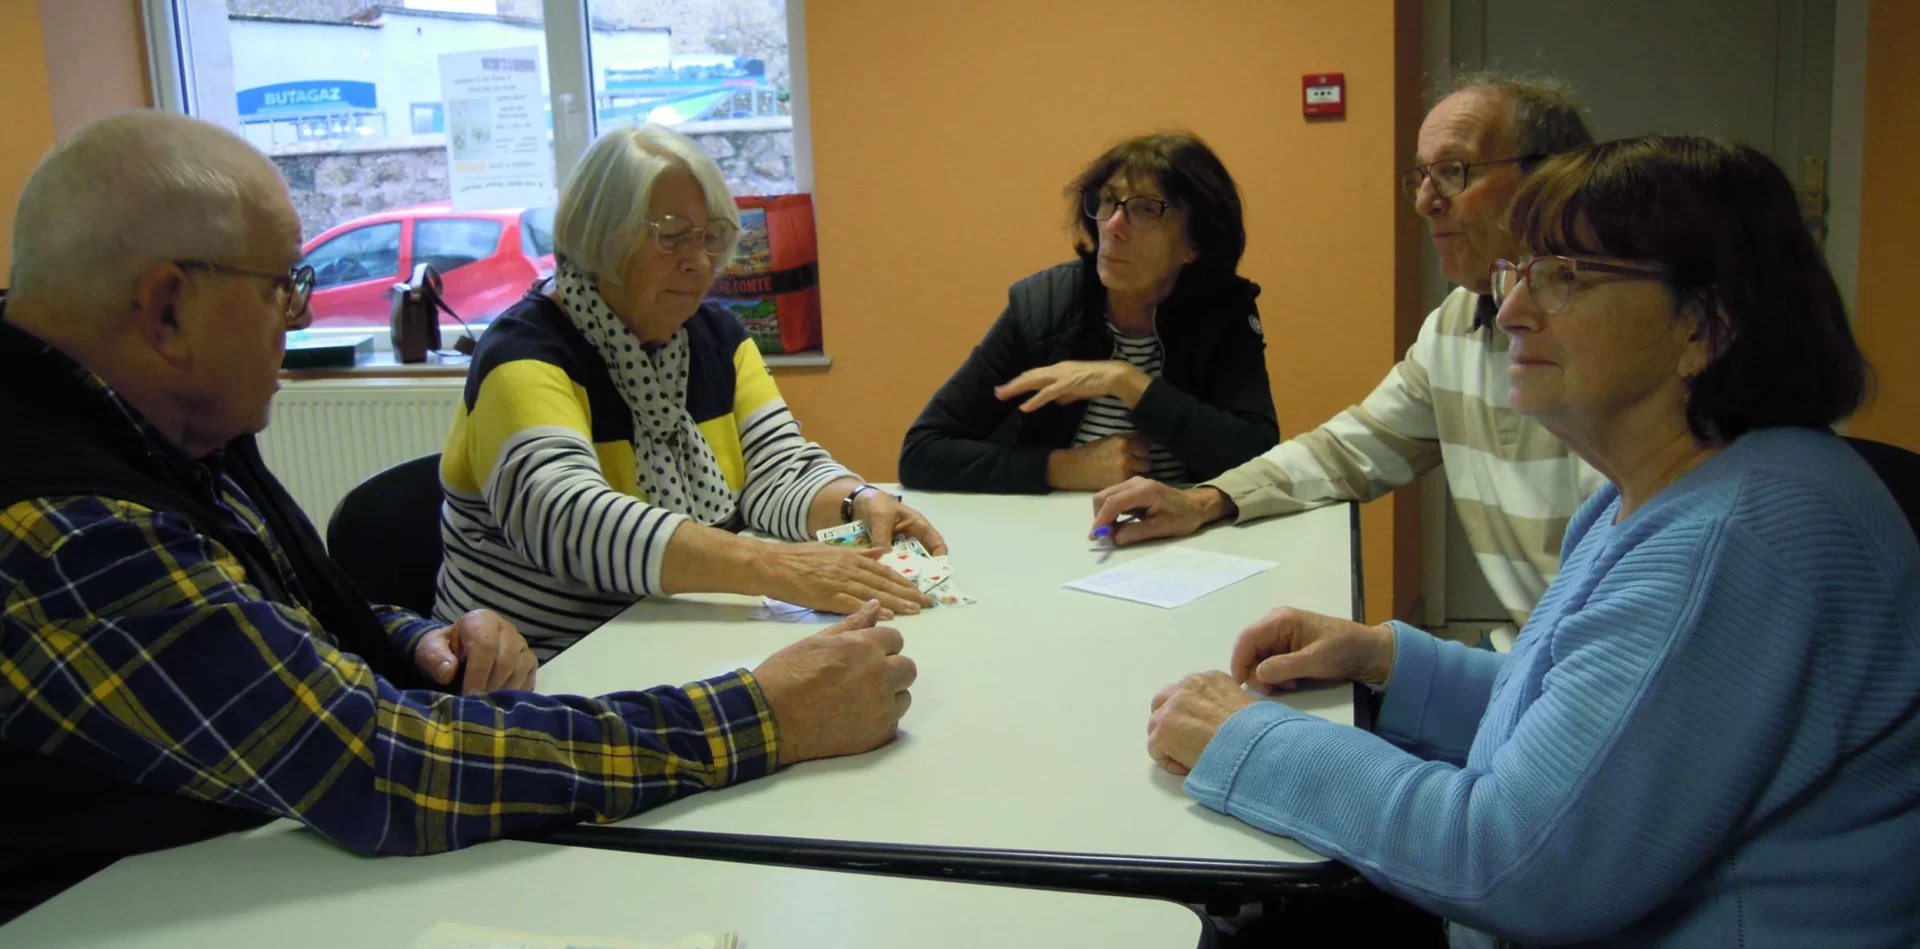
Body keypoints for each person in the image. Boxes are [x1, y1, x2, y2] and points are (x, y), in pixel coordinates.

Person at [0, 112, 916, 923]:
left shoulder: (160, 430)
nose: (297, 317)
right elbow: (386, 765)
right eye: (284, 287)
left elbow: (260, 621)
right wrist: (758, 714)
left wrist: (409, 639)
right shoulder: (64, 529)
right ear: (167, 307)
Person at [1148, 136, 1919, 947]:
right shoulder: (1659, 488)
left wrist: (1248, 741)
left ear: (1706, 325)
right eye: (1522, 272)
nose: (1511, 309)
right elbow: (1579, 724)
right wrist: (1387, 658)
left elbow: (1509, 862)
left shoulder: (1731, 543)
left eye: (1564, 279)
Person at [1092, 76, 1604, 629]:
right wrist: (1205, 500)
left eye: (1454, 172)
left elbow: (1626, 634)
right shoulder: (1454, 327)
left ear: (1551, 180)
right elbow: (1348, 451)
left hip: (1586, 678)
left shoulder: (1612, 338)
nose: (1426, 203)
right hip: (1533, 663)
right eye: (1422, 176)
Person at [435, 124, 945, 657]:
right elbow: (568, 520)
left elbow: (779, 470)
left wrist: (856, 503)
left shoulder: (717, 337)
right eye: (671, 235)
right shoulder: (524, 354)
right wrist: (778, 568)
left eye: (710, 238)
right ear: (599, 234)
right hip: (547, 663)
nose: (699, 261)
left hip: (673, 636)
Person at [897, 132, 1277, 494]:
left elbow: (1255, 457)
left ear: (1195, 244)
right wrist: (1061, 467)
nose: (1113, 226)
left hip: (1189, 535)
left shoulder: (1223, 310)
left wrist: (1126, 382)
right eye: (1108, 201)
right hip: (1061, 535)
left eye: (1146, 210)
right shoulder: (1043, 306)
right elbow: (922, 452)